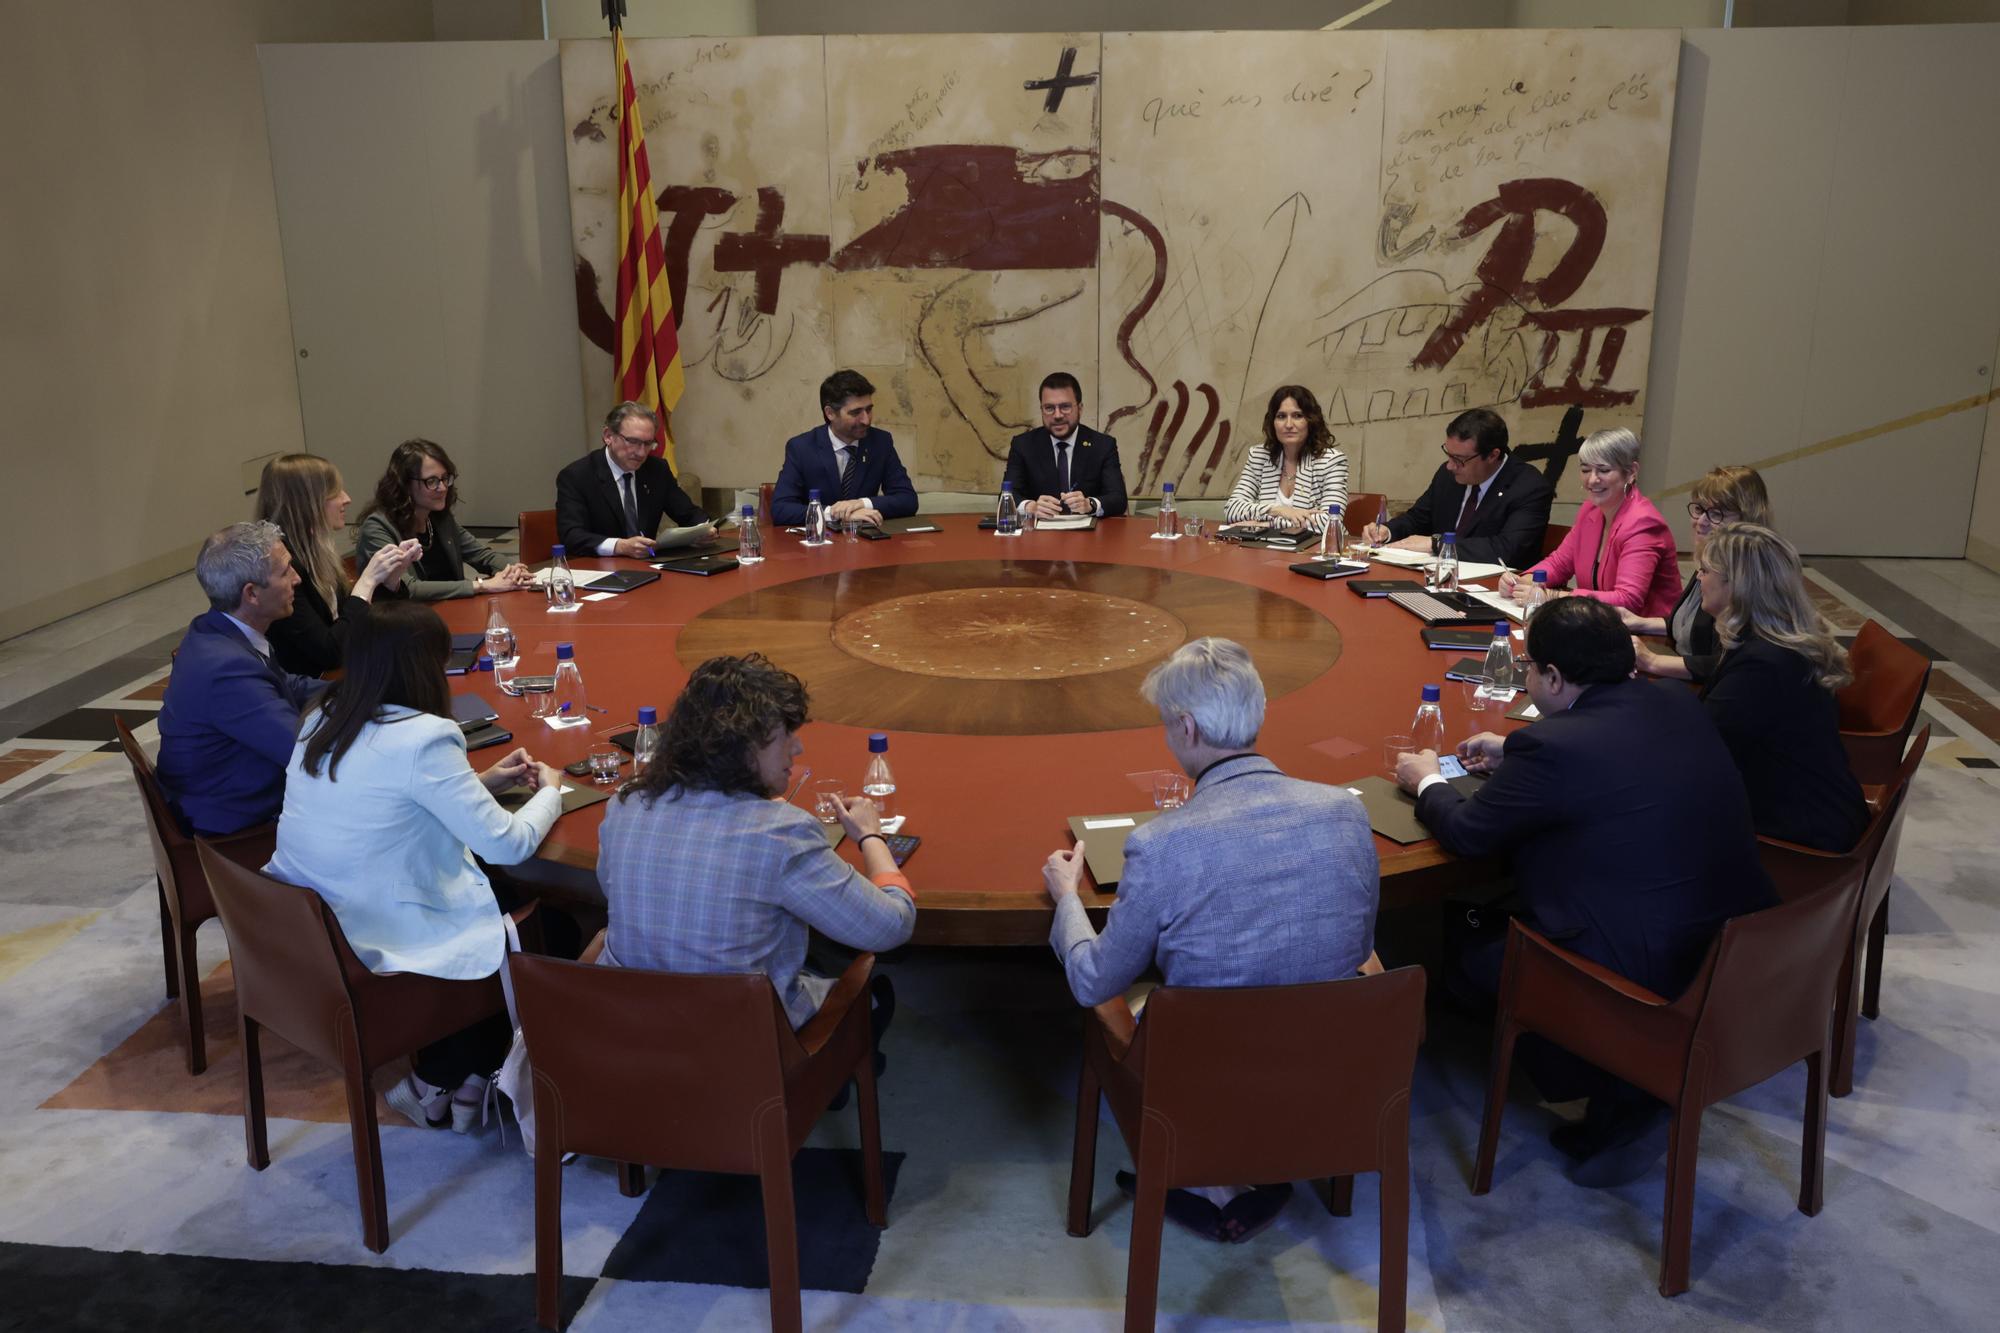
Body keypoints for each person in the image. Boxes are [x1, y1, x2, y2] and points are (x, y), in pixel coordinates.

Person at [1395, 596, 1773, 1178]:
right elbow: (1607, 760)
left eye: (1530, 667)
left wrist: (1425, 782)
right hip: (1738, 949)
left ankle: (1609, 1078)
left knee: (1466, 948)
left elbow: (1470, 834)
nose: (1526, 675)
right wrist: (1514, 753)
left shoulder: (1554, 748)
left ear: (1550, 676)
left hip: (1643, 977)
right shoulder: (1674, 701)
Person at [1042, 637, 1379, 1240]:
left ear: (1188, 728)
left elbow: (1093, 979)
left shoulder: (1162, 843)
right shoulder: (1347, 811)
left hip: (1203, 1075)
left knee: (1126, 990)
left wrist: (1067, 897)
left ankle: (1206, 1169)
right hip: (1334, 1058)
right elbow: (1357, 947)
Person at [264, 600, 565, 1132]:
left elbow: (387, 796)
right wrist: (553, 793)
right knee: (550, 925)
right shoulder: (425, 736)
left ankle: (468, 1076)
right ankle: (450, 1074)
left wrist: (482, 783)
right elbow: (508, 844)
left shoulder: (324, 717)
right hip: (375, 940)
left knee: (495, 899)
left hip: (312, 928)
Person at [597, 653, 914, 1032]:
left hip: (631, 1031)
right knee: (873, 995)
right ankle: (829, 1085)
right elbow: (890, 927)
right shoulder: (782, 834)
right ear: (745, 750)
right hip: (738, 1048)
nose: (797, 750)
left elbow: (610, 887)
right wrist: (871, 836)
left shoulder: (625, 804)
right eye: (785, 736)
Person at [1697, 524, 1869, 852]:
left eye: (1705, 571)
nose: (1698, 579)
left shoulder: (1764, 664)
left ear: (1736, 585)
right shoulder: (1770, 642)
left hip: (1802, 832)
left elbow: (1704, 745)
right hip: (1811, 807)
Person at [156, 522, 323, 837]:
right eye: (287, 571)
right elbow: (303, 752)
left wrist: (363, 690)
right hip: (237, 829)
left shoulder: (217, 630)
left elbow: (288, 686)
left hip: (233, 799)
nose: (297, 579)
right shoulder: (226, 669)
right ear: (252, 594)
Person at [254, 454, 420, 677]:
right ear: (308, 502)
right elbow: (330, 652)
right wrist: (367, 582)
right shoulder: (284, 569)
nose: (347, 499)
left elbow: (351, 622)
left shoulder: (318, 551)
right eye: (334, 493)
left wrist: (389, 581)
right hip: (308, 694)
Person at [1497, 427, 1680, 617]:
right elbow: (1560, 563)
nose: (1592, 480)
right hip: (1598, 624)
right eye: (1585, 470)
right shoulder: (1590, 510)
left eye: (1604, 470)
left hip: (1649, 637)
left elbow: (1628, 600)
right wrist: (1524, 581)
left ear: (1631, 472)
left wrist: (1551, 596)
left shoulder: (1643, 523)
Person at [1627, 465, 1771, 683]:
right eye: (1700, 509)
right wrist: (1638, 622)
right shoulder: (1711, 561)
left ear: (1746, 520)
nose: (1700, 521)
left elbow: (1727, 662)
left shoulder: (1747, 580)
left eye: (1715, 514)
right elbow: (1689, 624)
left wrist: (1652, 660)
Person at [1360, 407, 1553, 569]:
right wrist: (1387, 530)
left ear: (1493, 455)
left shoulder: (1530, 487)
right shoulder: (1448, 475)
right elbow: (1418, 518)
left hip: (1493, 590)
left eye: (1459, 460)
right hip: (1436, 578)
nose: (1450, 466)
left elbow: (1507, 550)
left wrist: (1436, 544)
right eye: (1448, 454)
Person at [354, 439, 533, 601]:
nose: (442, 487)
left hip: (450, 614)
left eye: (445, 478)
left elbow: (483, 555)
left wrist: (513, 569)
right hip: (403, 625)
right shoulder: (378, 527)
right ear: (405, 484)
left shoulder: (439, 518)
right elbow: (410, 588)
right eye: (431, 481)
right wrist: (482, 586)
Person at [555, 402, 713, 558]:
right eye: (633, 442)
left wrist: (704, 530)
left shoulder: (657, 469)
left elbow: (689, 513)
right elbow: (572, 536)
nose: (641, 452)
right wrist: (620, 546)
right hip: (601, 571)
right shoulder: (577, 476)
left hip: (649, 566)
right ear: (608, 436)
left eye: (648, 443)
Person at [770, 370, 920, 528]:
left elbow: (908, 500)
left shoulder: (880, 442)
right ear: (830, 413)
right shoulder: (802, 448)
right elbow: (781, 509)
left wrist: (862, 504)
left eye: (868, 409)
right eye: (856, 413)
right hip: (818, 544)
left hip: (866, 543)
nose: (866, 420)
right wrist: (833, 514)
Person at [1221, 385, 1349, 533]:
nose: (1288, 425)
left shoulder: (1331, 461)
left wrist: (1266, 525)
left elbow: (1329, 523)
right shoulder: (1259, 456)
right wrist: (1278, 510)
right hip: (1266, 550)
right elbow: (1232, 509)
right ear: (1272, 423)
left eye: (1297, 416)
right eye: (1281, 416)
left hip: (1316, 551)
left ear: (1311, 421)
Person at [1001, 372, 1129, 518]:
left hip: (1089, 536)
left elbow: (1118, 499)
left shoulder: (1102, 445)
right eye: (1049, 408)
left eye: (1065, 407)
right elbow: (1007, 495)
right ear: (1041, 410)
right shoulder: (1023, 445)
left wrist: (1090, 504)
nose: (1057, 415)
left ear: (1080, 409)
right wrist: (1030, 507)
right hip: (1038, 535)